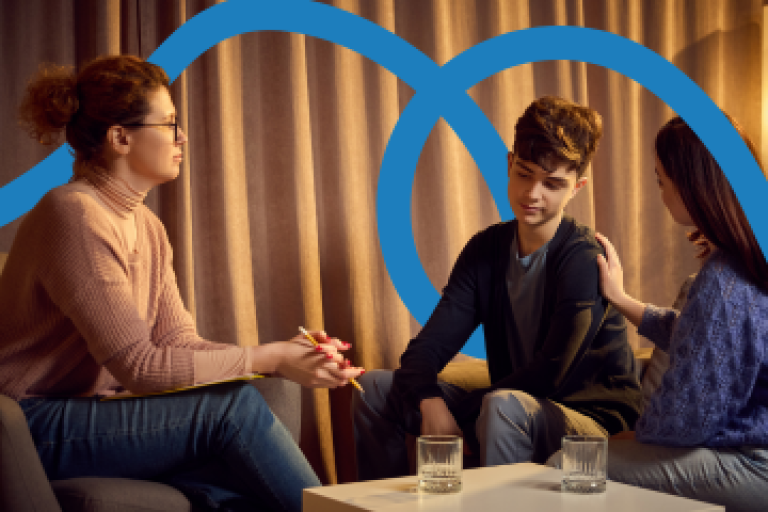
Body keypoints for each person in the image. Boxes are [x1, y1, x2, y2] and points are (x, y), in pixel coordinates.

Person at [0, 55, 364, 512]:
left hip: (89, 413)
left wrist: (286, 357)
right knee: (233, 410)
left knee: (235, 459)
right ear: (120, 138)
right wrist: (269, 357)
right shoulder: (73, 214)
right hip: (27, 424)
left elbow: (177, 342)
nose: (182, 137)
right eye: (169, 123)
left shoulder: (148, 227)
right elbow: (140, 366)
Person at [352, 96, 643, 480]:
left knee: (501, 406)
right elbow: (428, 348)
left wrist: (461, 410)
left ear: (577, 188)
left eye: (552, 184)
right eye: (524, 174)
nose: (533, 194)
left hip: (591, 421)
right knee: (373, 387)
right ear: (509, 164)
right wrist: (429, 399)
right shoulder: (486, 250)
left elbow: (549, 375)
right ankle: (381, 505)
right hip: (507, 407)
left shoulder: (585, 258)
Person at [590, 116, 768, 512]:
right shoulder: (749, 257)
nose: (661, 193)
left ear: (690, 184)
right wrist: (620, 297)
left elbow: (688, 419)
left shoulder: (724, 280)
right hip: (752, 452)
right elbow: (701, 335)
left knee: (571, 465)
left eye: (661, 180)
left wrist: (636, 435)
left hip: (754, 462)